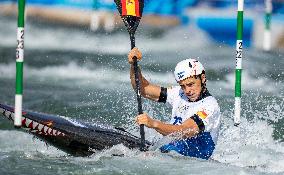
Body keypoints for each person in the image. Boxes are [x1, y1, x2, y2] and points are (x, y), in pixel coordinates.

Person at [128, 47, 221, 160]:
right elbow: (143, 89)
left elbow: (185, 131)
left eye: (191, 84)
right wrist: (134, 66)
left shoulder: (210, 106)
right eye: (183, 86)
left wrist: (153, 124)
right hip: (169, 153)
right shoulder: (179, 93)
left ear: (202, 78)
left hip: (193, 162)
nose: (187, 91)